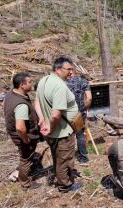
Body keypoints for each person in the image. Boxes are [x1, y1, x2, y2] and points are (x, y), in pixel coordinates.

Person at [35, 56, 81, 193]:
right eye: (69, 69)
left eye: (72, 69)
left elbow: (37, 100)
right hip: (61, 131)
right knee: (65, 160)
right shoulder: (59, 86)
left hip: (52, 129)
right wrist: (51, 127)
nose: (71, 72)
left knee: (57, 156)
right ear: (58, 69)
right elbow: (56, 114)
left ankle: (61, 179)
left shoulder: (44, 80)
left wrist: (42, 119)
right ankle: (65, 185)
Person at [3, 73, 41, 189]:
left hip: (16, 134)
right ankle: (25, 183)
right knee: (25, 159)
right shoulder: (21, 105)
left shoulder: (11, 94)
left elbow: (4, 105)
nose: (31, 84)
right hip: (22, 136)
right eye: (29, 82)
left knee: (26, 156)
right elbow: (20, 127)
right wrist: (25, 139)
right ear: (22, 85)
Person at [66, 69, 92, 164]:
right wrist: (84, 108)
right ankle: (83, 158)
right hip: (80, 112)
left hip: (66, 112)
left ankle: (67, 158)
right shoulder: (83, 81)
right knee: (80, 135)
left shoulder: (63, 82)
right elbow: (89, 98)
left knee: (67, 135)